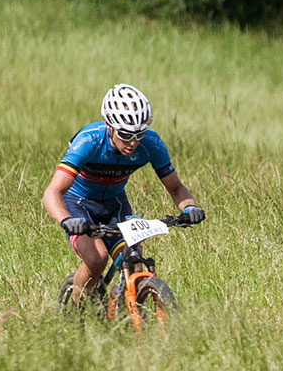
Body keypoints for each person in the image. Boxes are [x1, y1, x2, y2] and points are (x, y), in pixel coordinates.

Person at [42, 84, 204, 307]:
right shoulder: (90, 141)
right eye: (126, 134)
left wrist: (189, 208)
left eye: (139, 134)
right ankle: (76, 311)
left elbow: (176, 188)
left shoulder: (151, 144)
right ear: (109, 126)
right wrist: (67, 220)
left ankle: (126, 310)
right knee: (96, 258)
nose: (133, 142)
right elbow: (52, 192)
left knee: (134, 261)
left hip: (115, 204)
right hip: (78, 203)